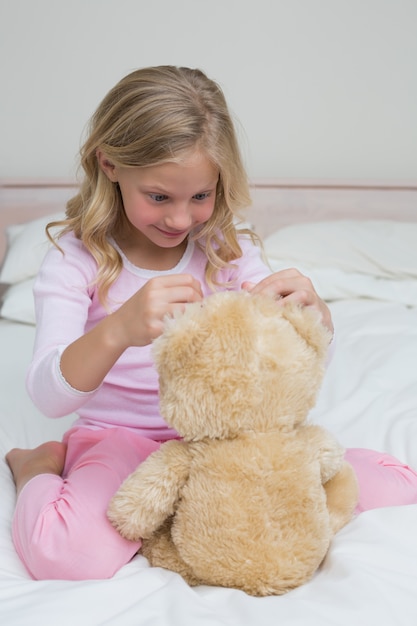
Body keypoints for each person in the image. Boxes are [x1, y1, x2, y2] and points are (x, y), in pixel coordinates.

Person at [6, 66, 417, 581]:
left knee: (397, 484)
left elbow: (284, 370)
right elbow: (49, 395)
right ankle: (37, 469)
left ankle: (183, 518)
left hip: (233, 439)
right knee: (66, 557)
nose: (181, 220)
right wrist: (118, 330)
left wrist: (316, 321)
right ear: (109, 164)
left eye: (200, 196)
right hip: (121, 440)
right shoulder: (77, 259)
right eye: (159, 197)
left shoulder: (228, 249)